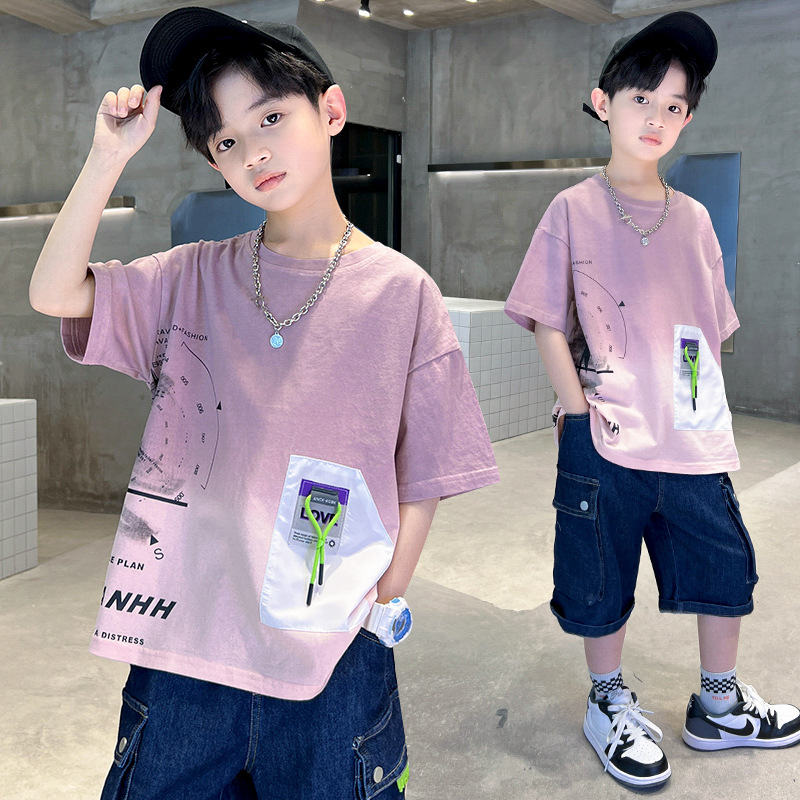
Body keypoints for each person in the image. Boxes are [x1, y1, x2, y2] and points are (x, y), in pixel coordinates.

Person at [29, 7, 499, 799]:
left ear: (332, 110)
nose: (253, 152)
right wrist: (108, 156)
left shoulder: (402, 293)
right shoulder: (192, 275)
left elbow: (426, 472)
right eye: (226, 142)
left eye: (271, 117)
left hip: (329, 655)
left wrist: (381, 599)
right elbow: (53, 293)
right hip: (186, 645)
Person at [505, 11, 800, 790]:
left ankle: (720, 706)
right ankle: (608, 701)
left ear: (688, 118)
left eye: (675, 105)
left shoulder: (695, 219)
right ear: (604, 103)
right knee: (600, 576)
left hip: (693, 436)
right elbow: (544, 318)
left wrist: (700, 406)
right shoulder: (573, 209)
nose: (657, 118)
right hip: (605, 434)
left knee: (724, 566)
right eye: (642, 99)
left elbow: (709, 325)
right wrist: (575, 413)